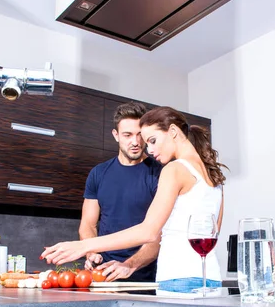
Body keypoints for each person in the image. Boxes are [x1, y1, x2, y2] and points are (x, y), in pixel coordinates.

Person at [41, 106, 228, 290]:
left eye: (153, 140)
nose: (150, 149)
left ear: (172, 131)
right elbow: (213, 233)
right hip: (210, 277)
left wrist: (82, 246)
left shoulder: (173, 169)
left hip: (179, 278)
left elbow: (148, 232)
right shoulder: (214, 176)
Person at [79, 101, 162, 282]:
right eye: (127, 135)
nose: (135, 142)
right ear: (116, 135)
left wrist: (129, 265)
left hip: (144, 278)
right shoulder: (98, 173)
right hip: (103, 277)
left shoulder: (159, 173)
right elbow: (88, 225)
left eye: (140, 135)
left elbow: (158, 234)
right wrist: (92, 252)